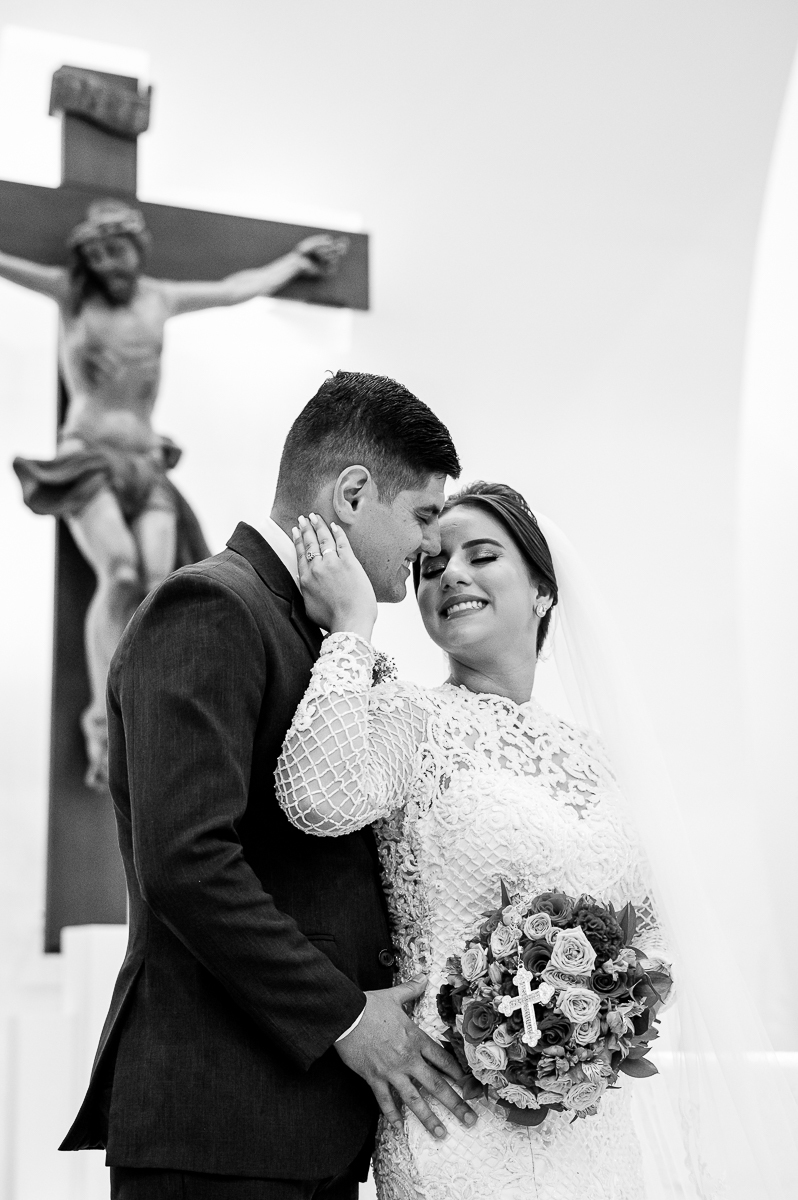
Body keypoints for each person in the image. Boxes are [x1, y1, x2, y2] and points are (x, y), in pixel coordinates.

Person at [59, 371, 477, 1200]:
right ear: (354, 493)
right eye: (425, 515)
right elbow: (187, 861)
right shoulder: (210, 607)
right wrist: (350, 1018)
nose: (430, 548)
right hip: (223, 1119)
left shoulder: (311, 628)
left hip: (305, 1124)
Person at [276, 481, 671, 1199]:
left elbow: (653, 933)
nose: (450, 572)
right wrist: (350, 629)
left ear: (544, 593)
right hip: (455, 1115)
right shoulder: (412, 719)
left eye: (481, 555)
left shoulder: (601, 757)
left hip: (592, 1127)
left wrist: (601, 1020)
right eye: (431, 565)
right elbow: (316, 797)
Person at [4, 198, 349, 785]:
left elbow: (235, 287)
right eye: (97, 254)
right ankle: (102, 724)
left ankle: (142, 707)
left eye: (119, 251)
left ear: (136, 250)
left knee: (159, 589)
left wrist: (292, 262)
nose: (109, 264)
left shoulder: (159, 298)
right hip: (87, 457)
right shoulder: (71, 296)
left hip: (146, 462)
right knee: (118, 570)